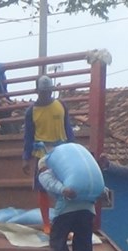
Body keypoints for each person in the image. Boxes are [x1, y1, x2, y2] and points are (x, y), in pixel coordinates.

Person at [37, 155, 107, 251]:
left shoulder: (46, 173)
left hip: (66, 211)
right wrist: (104, 191)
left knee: (55, 246)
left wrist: (64, 190)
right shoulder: (71, 170)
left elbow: (51, 184)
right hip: (87, 211)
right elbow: (91, 181)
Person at [22, 75, 75, 234]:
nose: (46, 94)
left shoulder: (61, 106)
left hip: (62, 152)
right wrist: (26, 158)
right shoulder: (31, 111)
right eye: (43, 92)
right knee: (43, 188)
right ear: (36, 91)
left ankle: (64, 222)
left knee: (65, 188)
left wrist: (74, 148)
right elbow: (28, 136)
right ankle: (46, 224)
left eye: (48, 91)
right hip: (42, 154)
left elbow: (68, 129)